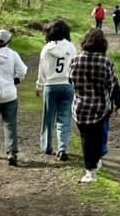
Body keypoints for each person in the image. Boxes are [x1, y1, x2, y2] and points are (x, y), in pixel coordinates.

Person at [69, 28, 119, 183]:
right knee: (98, 137)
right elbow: (112, 85)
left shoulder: (75, 60)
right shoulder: (106, 62)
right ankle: (95, 162)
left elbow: (70, 80)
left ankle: (90, 171)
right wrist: (117, 103)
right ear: (102, 44)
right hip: (101, 107)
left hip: (81, 107)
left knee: (86, 138)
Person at [0, 28, 28, 166]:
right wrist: (16, 80)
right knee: (10, 124)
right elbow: (22, 70)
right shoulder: (13, 55)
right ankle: (11, 152)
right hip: (10, 95)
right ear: (9, 41)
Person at [35, 19, 77, 161]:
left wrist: (39, 86)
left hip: (50, 86)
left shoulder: (46, 49)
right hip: (67, 85)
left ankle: (47, 146)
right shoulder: (71, 47)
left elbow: (42, 69)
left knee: (48, 118)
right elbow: (75, 66)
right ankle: (62, 148)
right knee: (64, 118)